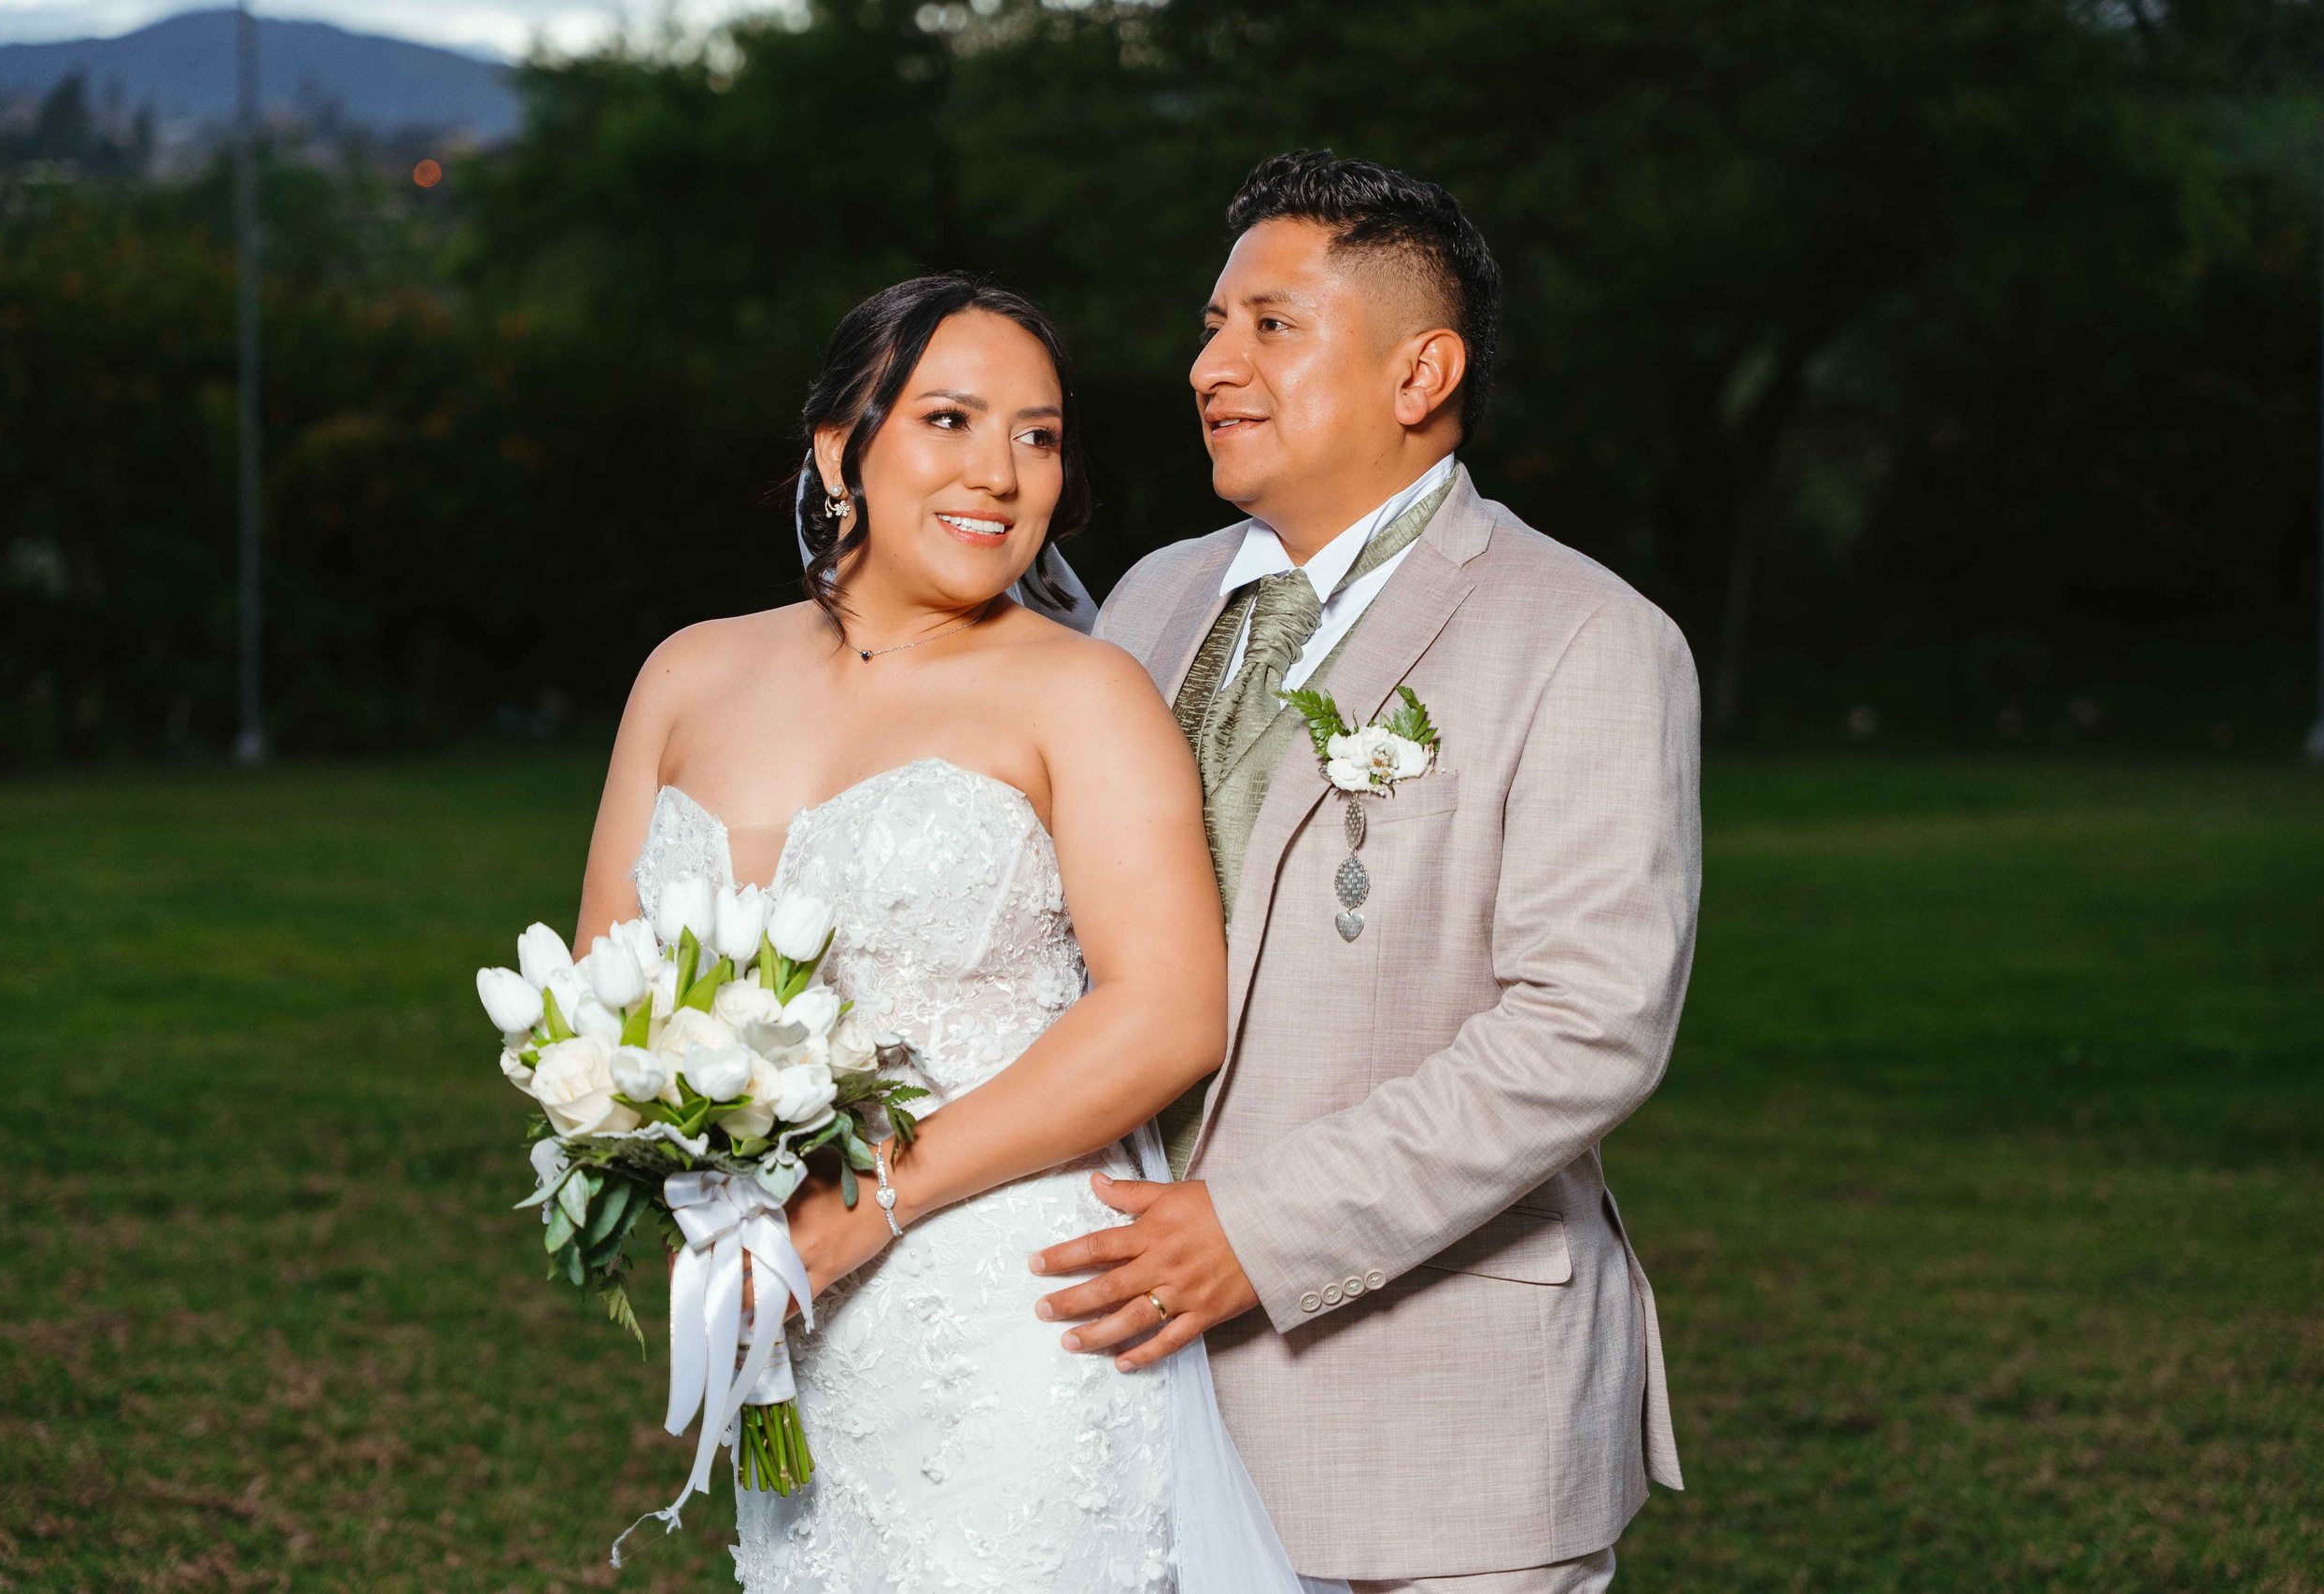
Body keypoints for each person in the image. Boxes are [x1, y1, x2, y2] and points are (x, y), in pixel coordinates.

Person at [570, 275, 1331, 1593]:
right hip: (787, 1311)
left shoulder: (1079, 694)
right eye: (953, 420)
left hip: (1011, 1311)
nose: (1003, 472)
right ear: (837, 450)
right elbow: (601, 993)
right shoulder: (687, 674)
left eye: (1038, 435)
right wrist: (699, 1164)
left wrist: (880, 1193)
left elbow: (1166, 1009)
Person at [1032, 151, 1700, 1593]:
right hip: (1124, 1392)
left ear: (1421, 372)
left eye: (1270, 324)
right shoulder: (1149, 598)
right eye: (1212, 325)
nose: (1211, 362)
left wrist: (1256, 1235)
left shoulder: (1583, 634)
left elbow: (1587, 1025)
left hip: (1433, 1424)